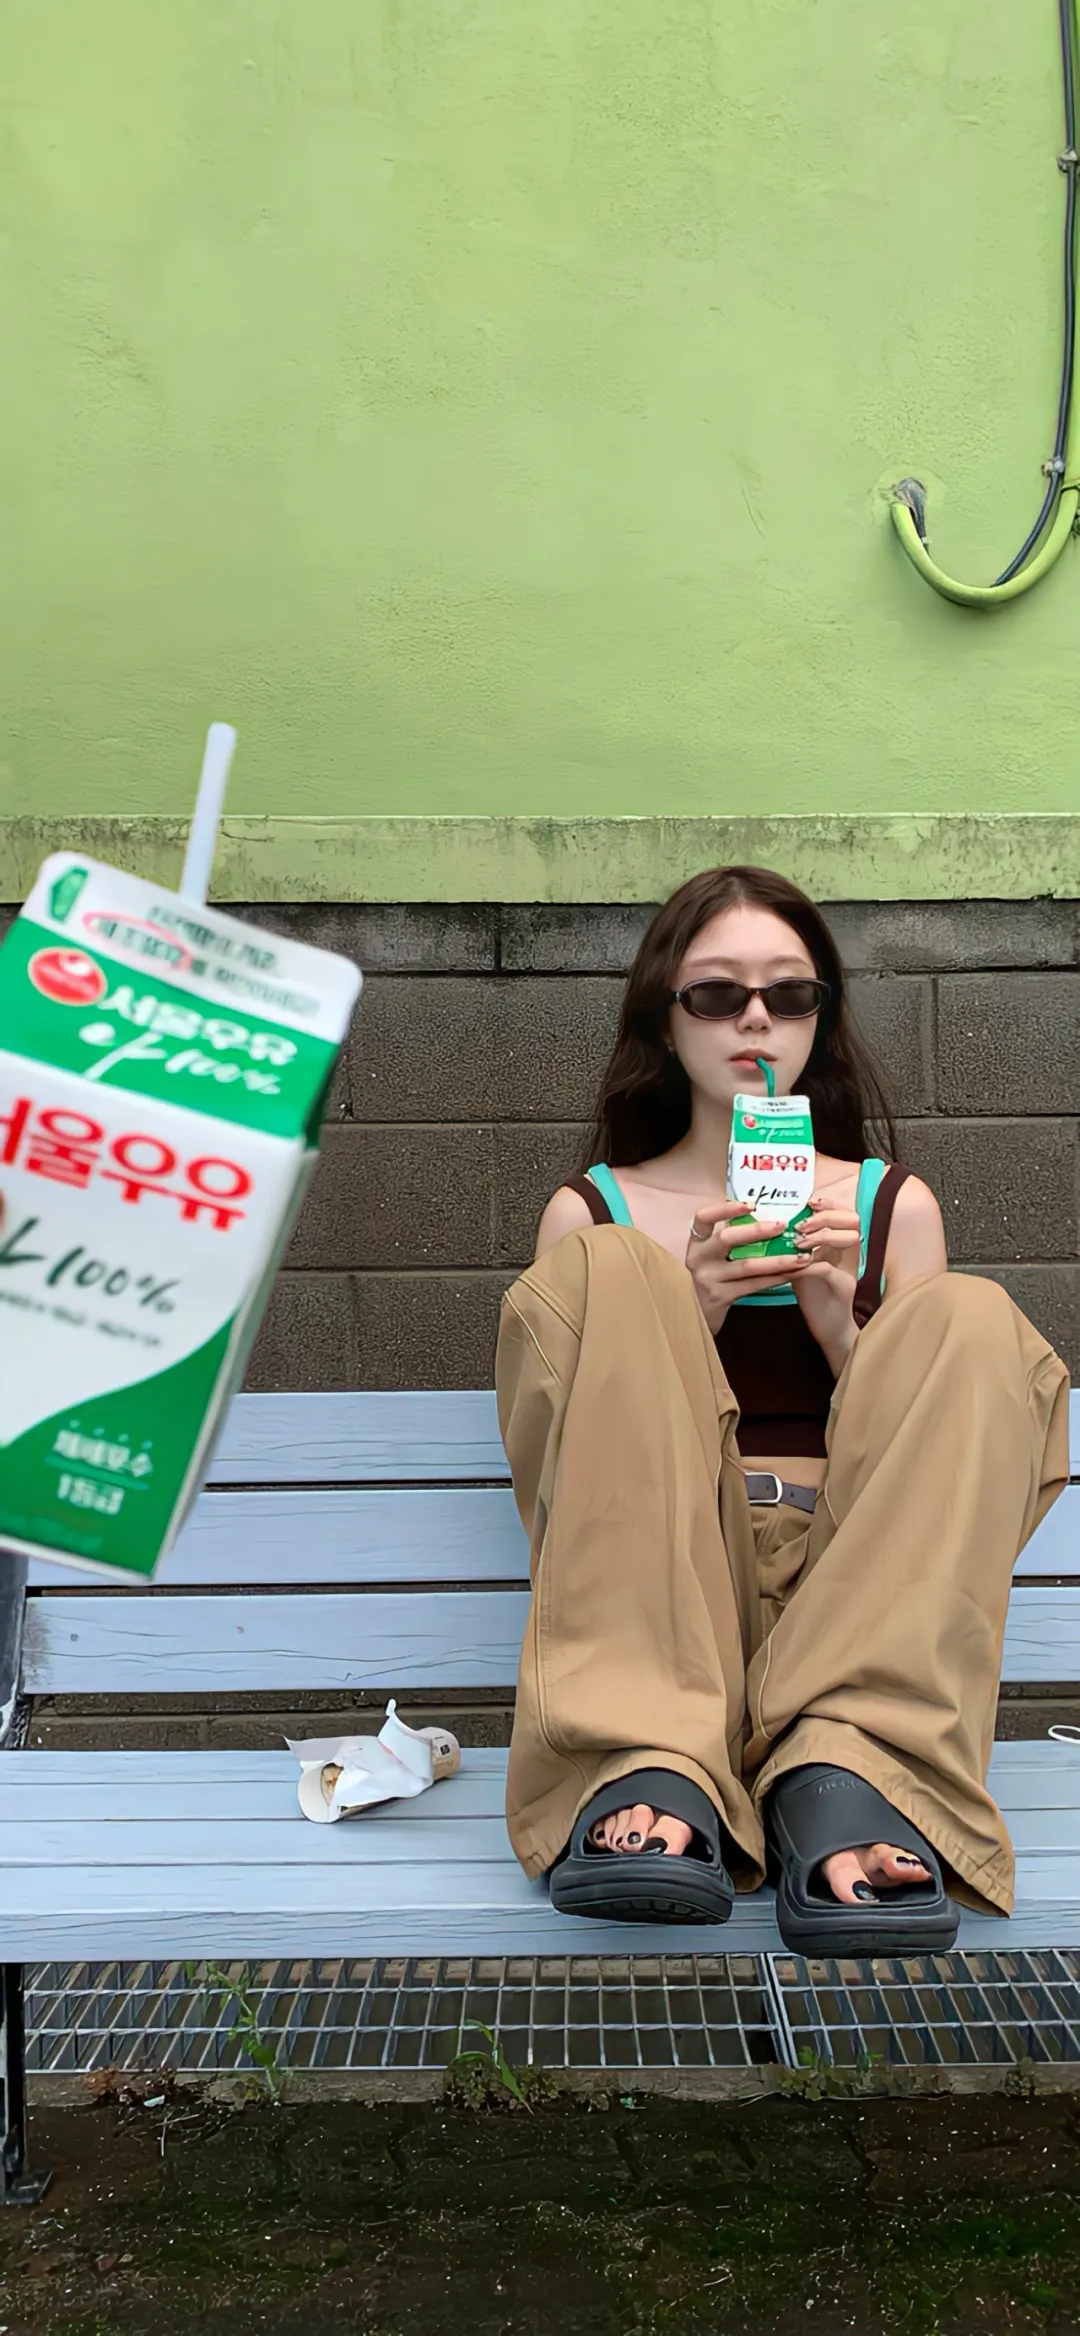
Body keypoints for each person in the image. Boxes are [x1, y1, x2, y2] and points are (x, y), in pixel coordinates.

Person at [495, 867, 1070, 1952]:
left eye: (790, 994)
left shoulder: (891, 1206)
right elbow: (566, 1464)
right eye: (718, 994)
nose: (755, 1019)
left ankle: (848, 1761)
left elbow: (931, 1463)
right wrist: (688, 1315)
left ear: (819, 1019)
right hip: (668, 1590)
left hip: (857, 1590)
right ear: (665, 1019)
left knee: (970, 1316)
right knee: (615, 1273)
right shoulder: (591, 1212)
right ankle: (650, 1749)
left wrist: (845, 1333)